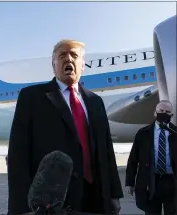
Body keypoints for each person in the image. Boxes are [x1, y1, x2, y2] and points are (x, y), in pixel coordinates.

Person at [7, 39, 123, 215]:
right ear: (53, 65)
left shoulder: (95, 101)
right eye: (62, 55)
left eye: (74, 55)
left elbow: (106, 151)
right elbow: (18, 156)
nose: (68, 58)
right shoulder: (31, 97)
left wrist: (114, 194)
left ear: (82, 65)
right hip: (52, 201)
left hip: (95, 197)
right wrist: (20, 208)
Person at [125, 100, 177, 215]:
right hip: (151, 182)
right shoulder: (143, 133)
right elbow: (133, 159)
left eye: (167, 112)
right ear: (155, 113)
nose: (164, 113)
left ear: (171, 115)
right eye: (161, 111)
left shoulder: (175, 132)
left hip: (172, 181)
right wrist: (130, 182)